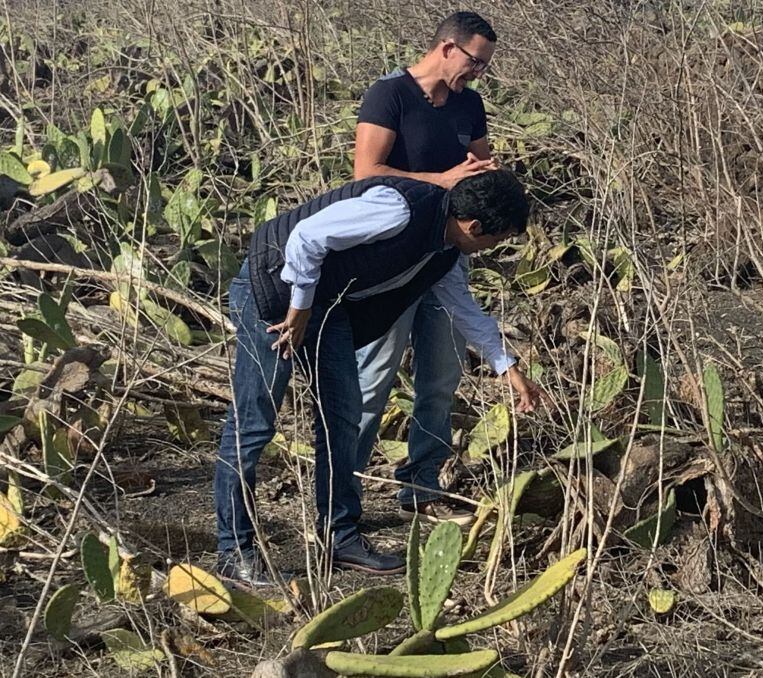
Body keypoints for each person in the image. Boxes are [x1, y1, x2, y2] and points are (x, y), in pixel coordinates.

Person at [214, 170, 530, 585]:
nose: (494, 248)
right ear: (474, 226)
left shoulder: (447, 250)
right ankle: (234, 552)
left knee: (343, 417)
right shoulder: (397, 209)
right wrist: (299, 307)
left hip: (325, 307)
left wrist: (505, 364)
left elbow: (463, 308)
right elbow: (306, 238)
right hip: (272, 291)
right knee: (254, 423)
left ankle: (339, 536)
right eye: (497, 238)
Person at [352, 11, 545, 526]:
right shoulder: (388, 95)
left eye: (484, 66)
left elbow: (481, 166)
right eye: (474, 61)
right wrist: (442, 179)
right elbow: (365, 173)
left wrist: (494, 189)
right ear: (446, 47)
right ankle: (340, 492)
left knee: (441, 377)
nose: (478, 73)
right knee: (372, 379)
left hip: (447, 251)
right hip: (393, 252)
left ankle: (420, 484)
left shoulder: (469, 104)